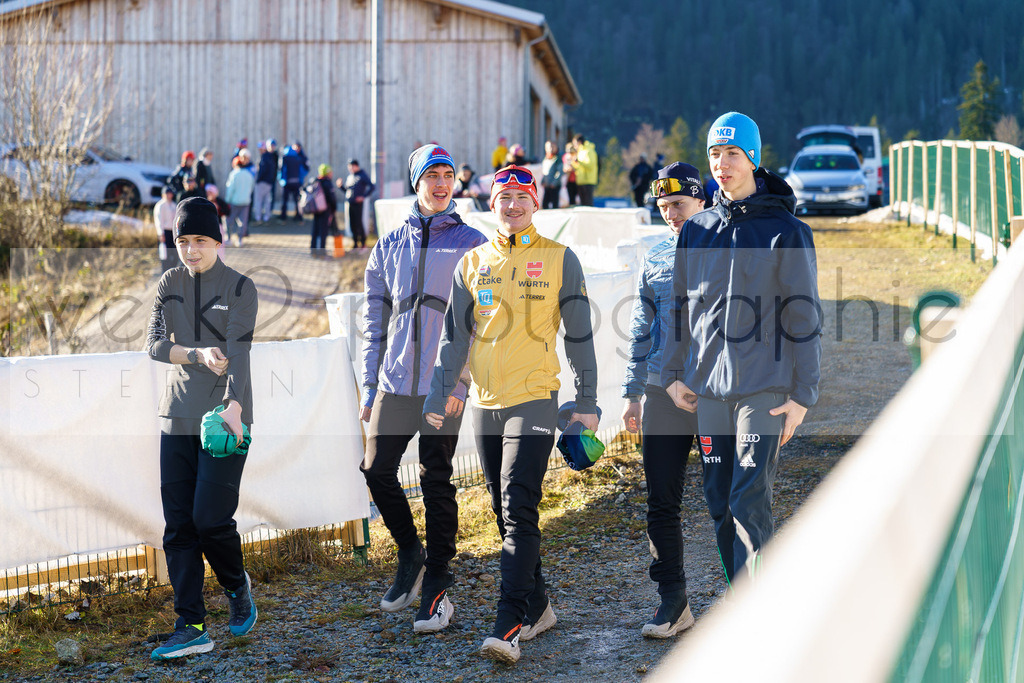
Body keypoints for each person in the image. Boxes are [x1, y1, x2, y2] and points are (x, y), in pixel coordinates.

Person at [424, 165, 599, 665]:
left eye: (523, 197)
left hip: (535, 396)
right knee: (503, 511)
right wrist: (438, 394)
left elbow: (579, 336)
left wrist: (587, 401)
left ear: (536, 204)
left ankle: (510, 621)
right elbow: (454, 339)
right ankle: (540, 607)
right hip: (486, 402)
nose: (514, 205)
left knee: (519, 506)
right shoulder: (472, 262)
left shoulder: (560, 258)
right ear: (492, 204)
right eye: (505, 197)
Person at [661, 112, 822, 587]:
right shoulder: (697, 229)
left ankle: (754, 612)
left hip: (763, 388)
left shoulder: (786, 231)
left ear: (752, 158)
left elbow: (804, 318)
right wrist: (672, 374)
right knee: (718, 501)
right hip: (709, 389)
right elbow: (679, 307)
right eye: (714, 153)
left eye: (732, 153)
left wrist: (803, 395)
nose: (722, 164)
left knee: (748, 500)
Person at [359, 144, 487, 635]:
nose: (441, 183)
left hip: (443, 383)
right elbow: (374, 323)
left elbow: (484, 322)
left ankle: (437, 582)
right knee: (376, 469)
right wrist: (369, 386)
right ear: (416, 182)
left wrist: (460, 380)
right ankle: (411, 553)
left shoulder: (474, 243)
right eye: (431, 175)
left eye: (447, 175)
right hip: (394, 382)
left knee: (436, 478)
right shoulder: (389, 245)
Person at [144, 197, 259, 661]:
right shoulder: (169, 282)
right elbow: (154, 345)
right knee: (178, 527)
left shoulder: (240, 287)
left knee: (210, 521)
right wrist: (195, 354)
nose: (191, 250)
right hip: (176, 417)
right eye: (183, 241)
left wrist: (235, 405)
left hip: (224, 421)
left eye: (200, 240)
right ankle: (190, 625)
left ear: (218, 241)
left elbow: (240, 351)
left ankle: (236, 586)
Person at [621, 162, 707, 639]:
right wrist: (632, 393)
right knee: (661, 501)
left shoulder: (725, 247)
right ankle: (673, 600)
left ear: (701, 201)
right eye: (663, 206)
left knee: (730, 498)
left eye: (679, 204)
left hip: (715, 391)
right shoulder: (654, 256)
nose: (671, 214)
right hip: (660, 391)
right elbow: (642, 328)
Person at [339, 159, 374, 249]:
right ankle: (355, 244)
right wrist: (341, 186)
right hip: (350, 203)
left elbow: (372, 186)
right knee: (352, 224)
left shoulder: (362, 175)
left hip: (358, 203)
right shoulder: (351, 176)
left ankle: (363, 244)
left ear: (356, 166)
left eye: (351, 167)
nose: (350, 169)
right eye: (349, 167)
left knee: (358, 223)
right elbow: (347, 190)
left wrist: (363, 196)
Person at [224, 151, 256, 246]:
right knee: (243, 222)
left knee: (229, 220)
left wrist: (227, 200)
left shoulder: (234, 174)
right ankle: (240, 240)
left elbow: (230, 189)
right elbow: (251, 188)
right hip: (246, 202)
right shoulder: (249, 175)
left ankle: (229, 238)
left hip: (234, 202)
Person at [311, 163, 338, 256]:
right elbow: (332, 198)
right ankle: (322, 253)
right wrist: (334, 210)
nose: (331, 173)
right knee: (323, 232)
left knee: (315, 231)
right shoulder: (327, 183)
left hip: (316, 210)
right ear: (327, 172)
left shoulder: (315, 181)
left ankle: (313, 251)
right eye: (330, 172)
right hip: (325, 210)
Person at [279, 142, 309, 220]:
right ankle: (298, 216)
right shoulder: (298, 158)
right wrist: (300, 179)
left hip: (287, 183)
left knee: (285, 200)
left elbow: (282, 170)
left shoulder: (285, 158)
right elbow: (302, 170)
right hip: (297, 182)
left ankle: (283, 216)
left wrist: (282, 180)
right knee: (297, 200)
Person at [254, 139, 279, 223]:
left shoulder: (265, 157)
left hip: (263, 182)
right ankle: (266, 217)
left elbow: (263, 170)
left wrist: (258, 180)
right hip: (269, 182)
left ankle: (258, 217)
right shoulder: (271, 156)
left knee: (259, 200)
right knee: (267, 200)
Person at [154, 186, 177, 273]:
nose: (168, 195)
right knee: (165, 254)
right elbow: (159, 220)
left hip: (172, 232)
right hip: (165, 232)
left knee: (174, 253)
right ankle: (165, 272)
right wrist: (160, 233)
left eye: (169, 194)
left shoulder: (174, 205)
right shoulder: (160, 205)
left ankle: (172, 270)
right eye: (166, 194)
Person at [572, 134, 598, 206]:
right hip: (581, 180)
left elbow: (590, 165)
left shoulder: (588, 151)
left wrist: (579, 161)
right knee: (583, 203)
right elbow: (580, 167)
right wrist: (573, 163)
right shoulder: (580, 151)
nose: (574, 146)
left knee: (588, 202)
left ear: (579, 142)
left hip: (588, 180)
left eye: (575, 144)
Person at [540, 141, 563, 209]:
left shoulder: (558, 158)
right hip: (547, 185)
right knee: (545, 204)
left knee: (554, 204)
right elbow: (544, 171)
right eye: (548, 147)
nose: (550, 149)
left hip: (554, 185)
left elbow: (559, 172)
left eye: (552, 147)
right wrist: (543, 181)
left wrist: (554, 183)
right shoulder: (546, 158)